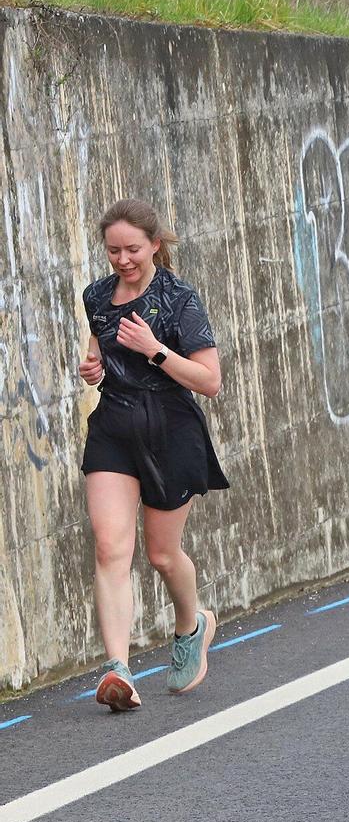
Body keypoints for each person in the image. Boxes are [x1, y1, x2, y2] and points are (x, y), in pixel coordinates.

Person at [80, 199, 228, 711]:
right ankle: (117, 668)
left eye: (132, 249)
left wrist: (155, 350)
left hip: (171, 429)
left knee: (162, 554)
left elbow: (209, 381)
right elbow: (101, 351)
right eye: (113, 250)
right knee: (109, 548)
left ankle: (192, 625)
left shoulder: (180, 299)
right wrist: (94, 368)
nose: (122, 259)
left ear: (155, 245)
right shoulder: (96, 296)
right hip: (115, 427)